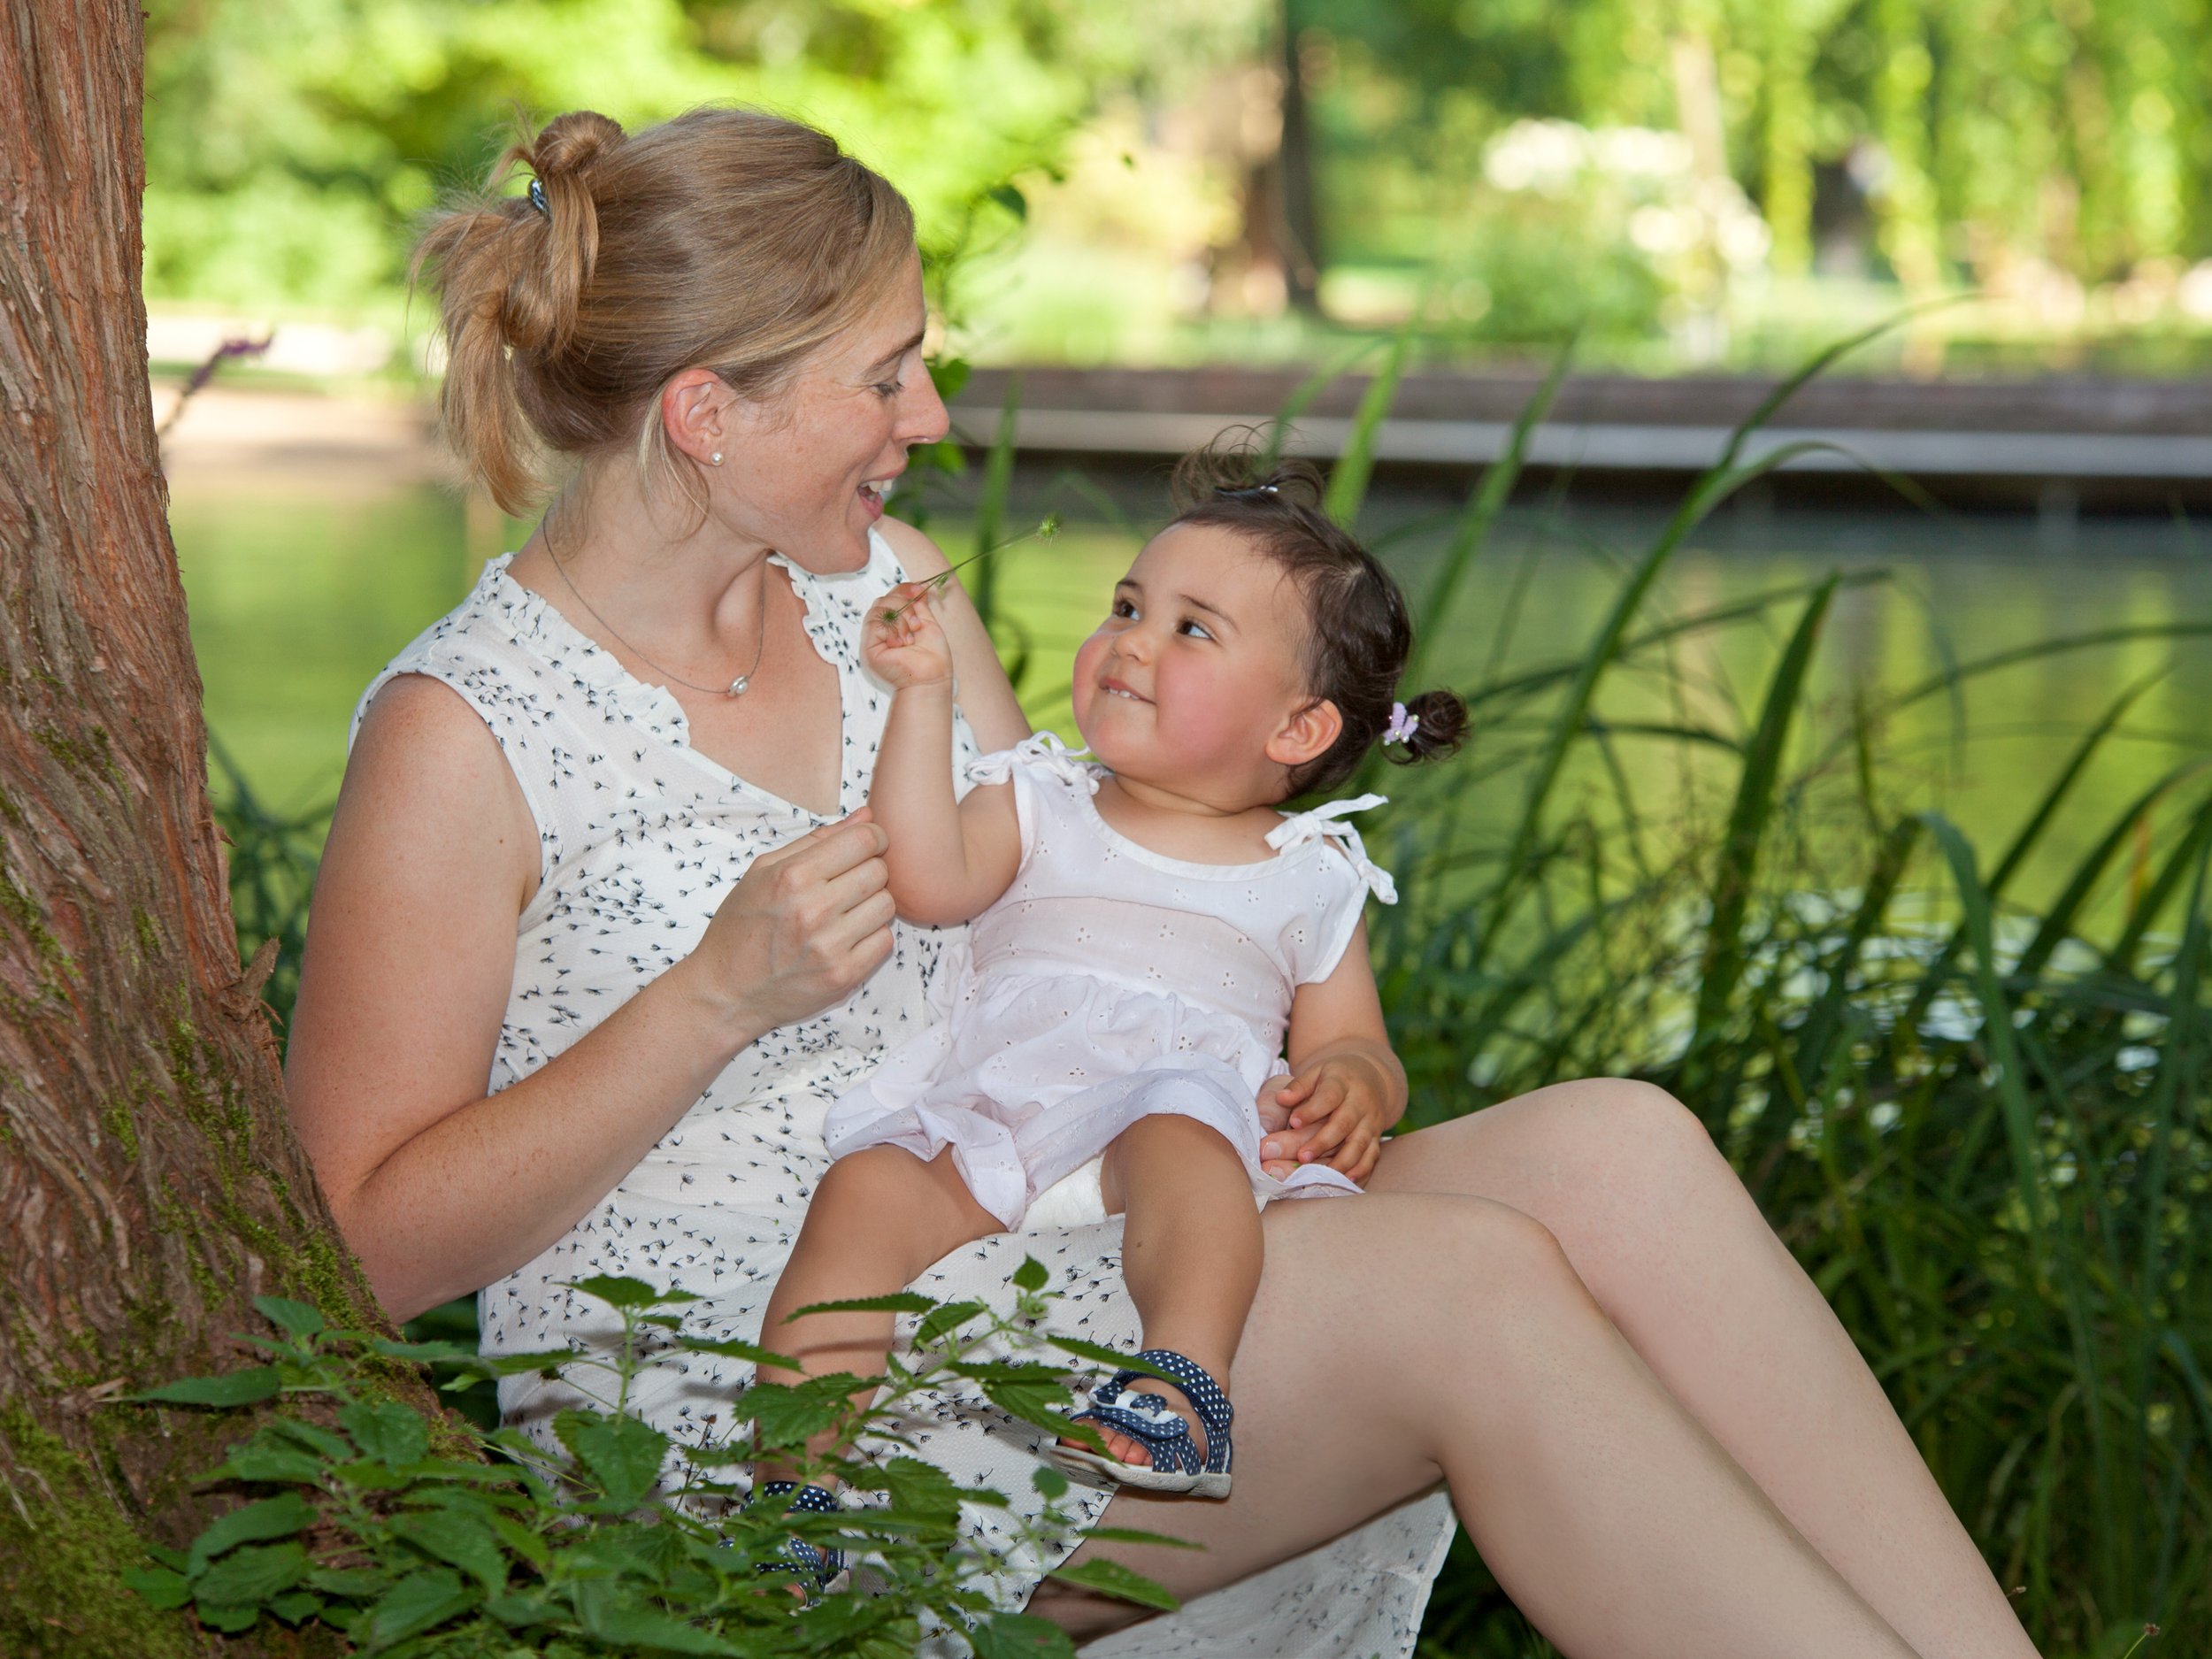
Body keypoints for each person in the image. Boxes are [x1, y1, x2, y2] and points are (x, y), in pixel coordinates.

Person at [287, 104, 2044, 1658]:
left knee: (1620, 1154)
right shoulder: (468, 727)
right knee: (1469, 1290)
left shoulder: (888, 590)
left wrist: (1289, 1050)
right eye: (887, 375)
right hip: (776, 1398)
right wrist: (703, 1007)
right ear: (705, 414)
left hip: (1053, 1212)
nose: (930, 414)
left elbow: (1089, 882)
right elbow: (357, 1248)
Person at [756, 454, 1467, 1510]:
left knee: (1180, 1119)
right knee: (863, 1189)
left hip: (1161, 1157)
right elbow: (926, 880)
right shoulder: (1040, 799)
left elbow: (1351, 1043)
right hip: (997, 1130)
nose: (1131, 639)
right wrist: (923, 696)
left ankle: (1180, 1390)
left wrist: (1357, 1085)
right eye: (1128, 606)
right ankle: (794, 1488)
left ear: (1296, 728)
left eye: (1191, 629)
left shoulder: (1312, 873)